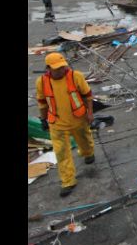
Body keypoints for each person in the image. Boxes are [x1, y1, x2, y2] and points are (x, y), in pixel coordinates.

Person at [35, 53, 96, 196]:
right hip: (57, 123)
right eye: (57, 69)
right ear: (48, 68)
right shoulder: (42, 82)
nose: (61, 70)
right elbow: (42, 104)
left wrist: (90, 113)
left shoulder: (76, 76)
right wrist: (44, 120)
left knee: (85, 141)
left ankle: (88, 153)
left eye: (63, 67)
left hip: (78, 119)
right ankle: (68, 181)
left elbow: (88, 95)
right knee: (61, 152)